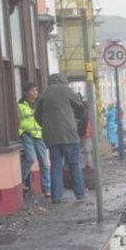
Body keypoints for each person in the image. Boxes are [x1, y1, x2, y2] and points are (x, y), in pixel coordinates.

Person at [35, 74, 87, 203]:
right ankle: (79, 193)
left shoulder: (44, 95)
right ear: (63, 80)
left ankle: (56, 196)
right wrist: (77, 120)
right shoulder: (67, 90)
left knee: (56, 165)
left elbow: (37, 116)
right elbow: (80, 107)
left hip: (52, 137)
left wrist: (47, 126)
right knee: (74, 164)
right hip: (69, 134)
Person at [17, 82, 51, 197]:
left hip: (39, 134)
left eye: (36, 90)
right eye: (32, 90)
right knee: (30, 159)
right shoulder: (20, 105)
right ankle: (20, 182)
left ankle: (47, 188)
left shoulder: (40, 104)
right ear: (26, 93)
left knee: (44, 162)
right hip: (27, 134)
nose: (35, 92)